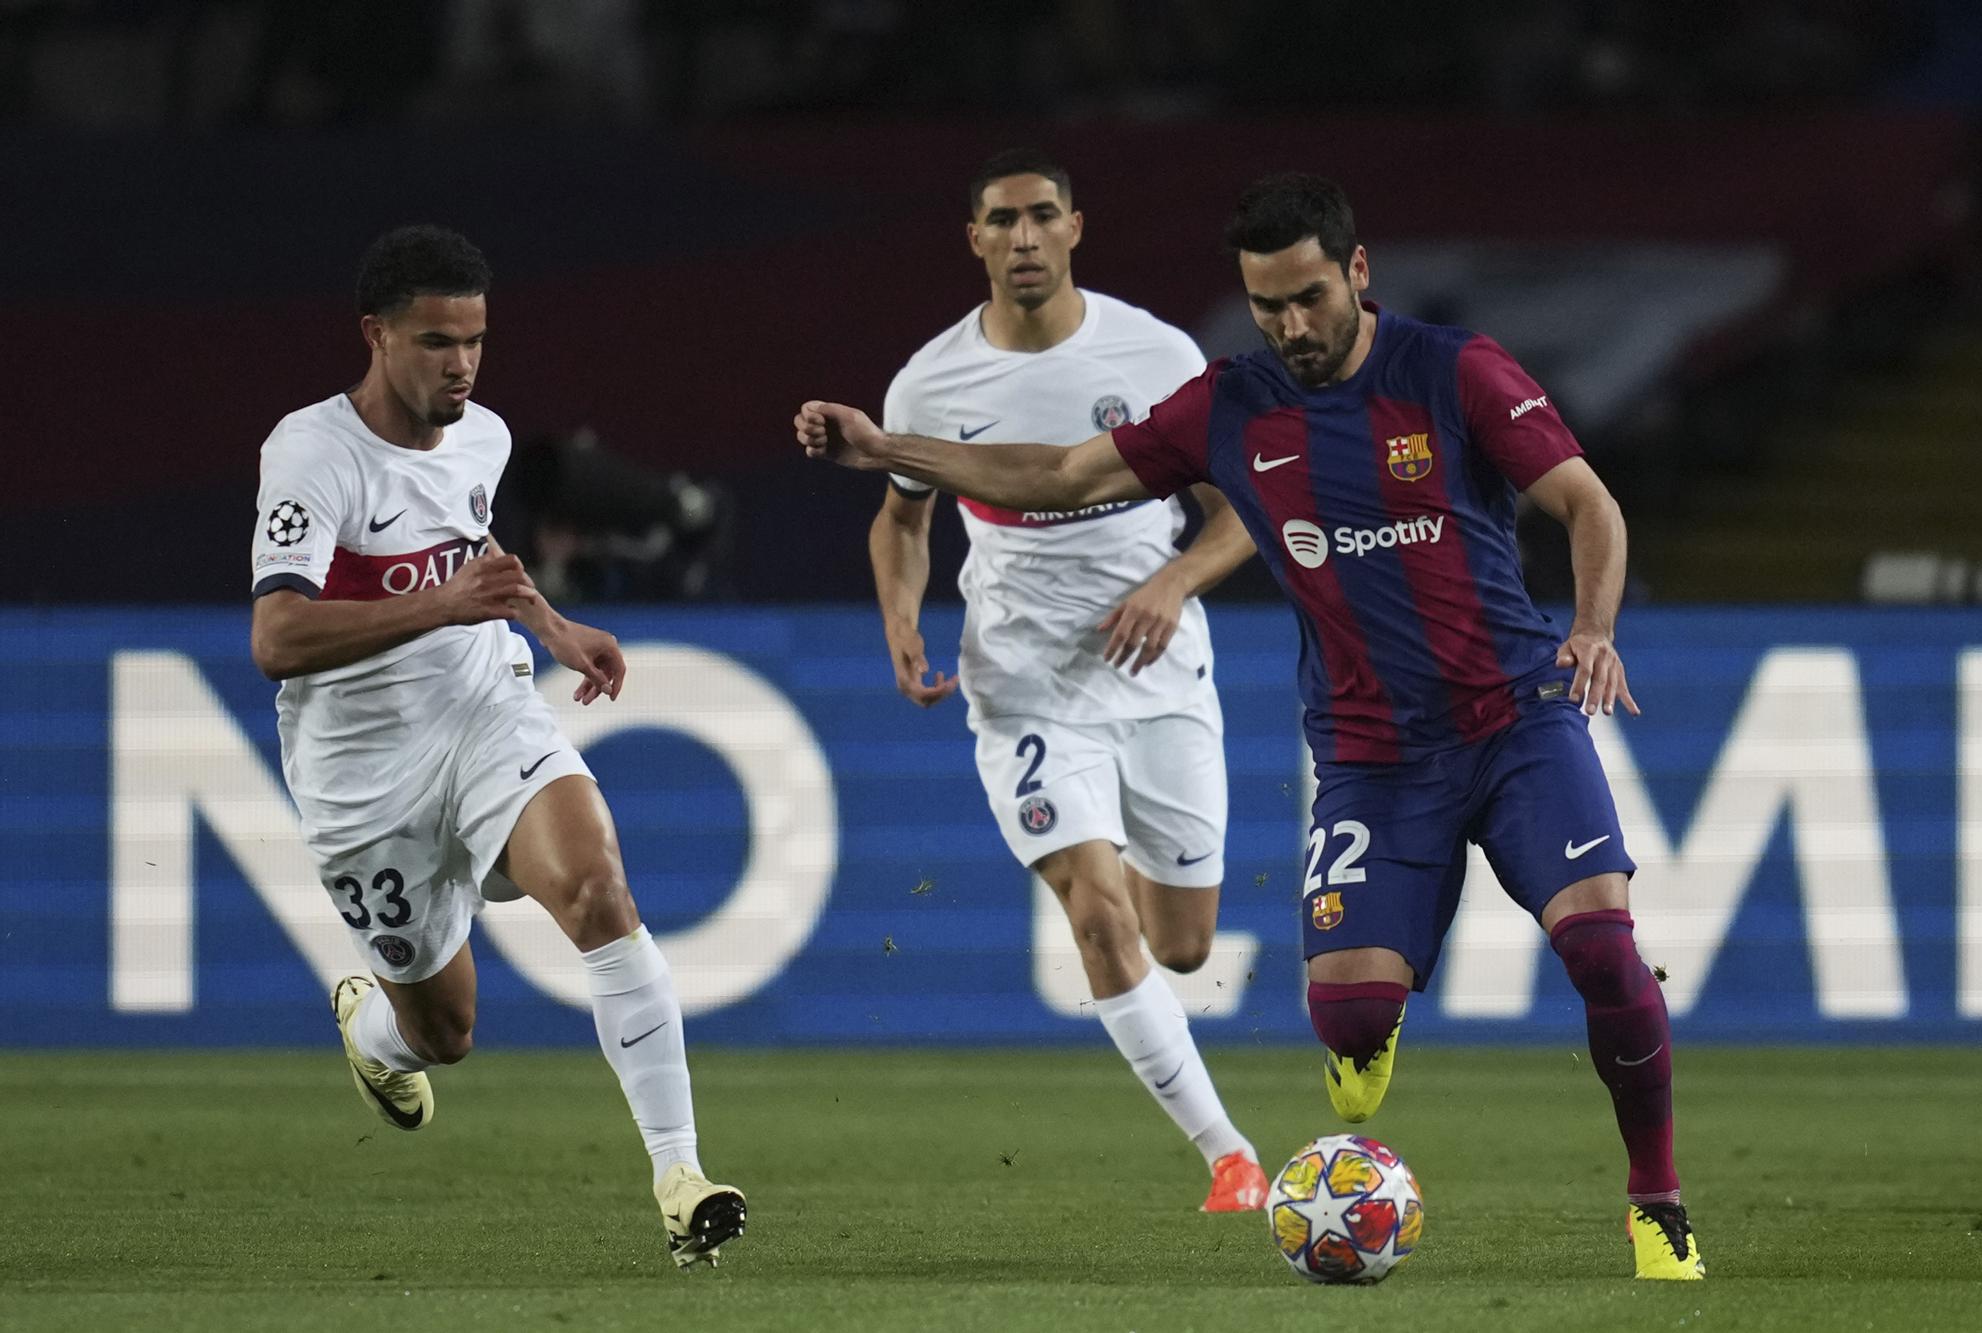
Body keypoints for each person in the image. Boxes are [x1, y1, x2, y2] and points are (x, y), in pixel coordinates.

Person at [797, 173, 1703, 1280]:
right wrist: (888, 450)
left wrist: (1594, 627)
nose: (1290, 327)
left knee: (1602, 950)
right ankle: (1373, 1016)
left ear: (1356, 274)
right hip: (1370, 758)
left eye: (1308, 299)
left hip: (1515, 719)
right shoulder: (1230, 403)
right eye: (1267, 306)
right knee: (1347, 1016)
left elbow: (1586, 502)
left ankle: (1654, 1203)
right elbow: (1052, 474)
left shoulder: (1453, 368)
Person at [249, 225, 744, 1268]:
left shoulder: (485, 437)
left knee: (599, 892)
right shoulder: (312, 453)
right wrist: (443, 603)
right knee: (446, 1033)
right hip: (360, 776)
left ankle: (679, 1175)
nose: (461, 364)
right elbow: (277, 637)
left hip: (482, 714)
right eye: (434, 342)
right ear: (375, 335)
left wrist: (553, 629)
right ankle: (373, 1028)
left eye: (473, 339)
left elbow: (477, 559)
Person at [865, 149, 1270, 1213]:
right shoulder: (930, 382)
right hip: (1022, 681)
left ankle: (1142, 961)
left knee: (1181, 945)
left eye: (1042, 216)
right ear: (975, 241)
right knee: (1095, 908)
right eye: (1002, 221)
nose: (1024, 237)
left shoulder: (1155, 354)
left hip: (1157, 669)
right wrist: (902, 619)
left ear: (1076, 228)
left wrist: (1173, 584)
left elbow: (1243, 508)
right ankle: (1228, 1156)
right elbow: (901, 517)